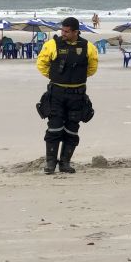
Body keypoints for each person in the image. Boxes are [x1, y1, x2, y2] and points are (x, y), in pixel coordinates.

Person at [36, 17, 98, 174]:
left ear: (76, 32)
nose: (62, 33)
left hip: (77, 95)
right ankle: (50, 163)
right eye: (62, 30)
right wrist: (56, 77)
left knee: (72, 129)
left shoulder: (88, 47)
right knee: (54, 127)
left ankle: (65, 163)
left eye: (66, 31)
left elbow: (92, 67)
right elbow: (41, 64)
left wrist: (75, 79)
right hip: (56, 93)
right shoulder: (51, 45)